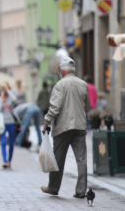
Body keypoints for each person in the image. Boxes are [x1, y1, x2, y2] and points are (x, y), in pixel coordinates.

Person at [41, 57, 89, 198]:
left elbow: (55, 108)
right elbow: (87, 106)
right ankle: (81, 190)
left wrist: (46, 122)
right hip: (80, 126)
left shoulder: (60, 85)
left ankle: (53, 187)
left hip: (63, 127)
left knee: (58, 158)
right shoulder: (83, 84)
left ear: (62, 71)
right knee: (82, 159)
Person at [0, 84, 17, 168]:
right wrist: (2, 99)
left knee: (11, 143)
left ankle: (9, 161)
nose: (4, 90)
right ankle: (4, 161)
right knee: (3, 142)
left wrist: (8, 91)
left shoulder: (11, 99)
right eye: (2, 89)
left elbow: (15, 100)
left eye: (5, 89)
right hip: (3, 123)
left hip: (11, 122)